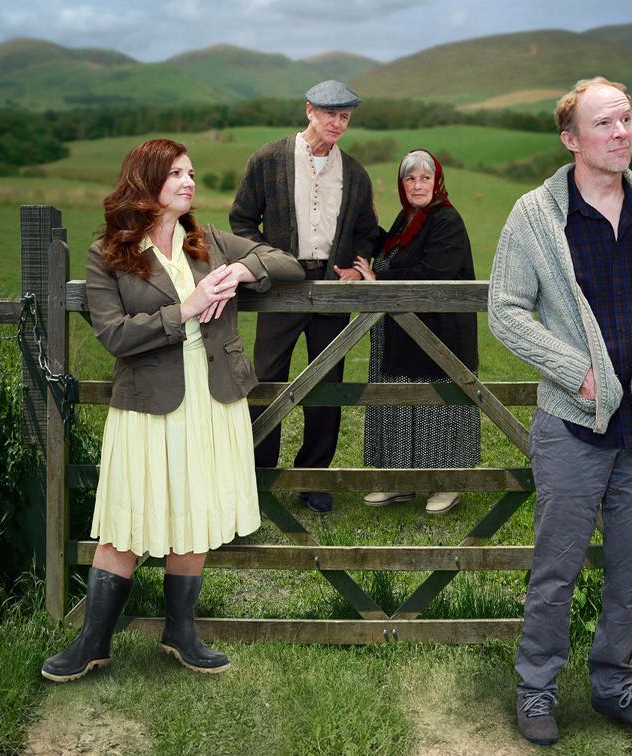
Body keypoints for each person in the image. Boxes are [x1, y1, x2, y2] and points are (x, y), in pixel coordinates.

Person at [41, 139, 303, 682]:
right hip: (148, 406)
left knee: (197, 514)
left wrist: (242, 273)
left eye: (191, 172)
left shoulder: (205, 241)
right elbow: (113, 335)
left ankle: (180, 634)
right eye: (176, 174)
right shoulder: (109, 253)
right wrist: (182, 310)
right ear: (147, 181)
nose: (189, 182)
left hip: (211, 401)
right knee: (124, 522)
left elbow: (288, 262)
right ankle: (92, 643)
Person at [488, 78, 632, 745]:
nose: (621, 132)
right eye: (604, 123)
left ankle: (614, 686)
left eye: (627, 119)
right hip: (572, 427)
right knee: (558, 568)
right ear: (571, 138)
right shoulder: (535, 215)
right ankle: (537, 691)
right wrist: (573, 370)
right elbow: (505, 310)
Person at [230, 80, 380, 514]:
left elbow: (368, 232)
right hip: (279, 289)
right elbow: (241, 220)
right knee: (266, 378)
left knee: (327, 384)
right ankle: (259, 475)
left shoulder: (353, 173)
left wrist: (357, 264)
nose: (338, 123)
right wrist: (265, 260)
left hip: (332, 290)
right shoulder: (268, 159)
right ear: (309, 111)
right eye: (331, 114)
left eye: (345, 117)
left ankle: (313, 478)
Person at [351, 149, 479, 514]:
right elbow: (389, 250)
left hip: (439, 334)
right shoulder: (408, 218)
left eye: (425, 178)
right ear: (402, 184)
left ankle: (446, 483)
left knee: (437, 405)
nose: (417, 185)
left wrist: (380, 278)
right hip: (401, 332)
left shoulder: (446, 220)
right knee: (398, 402)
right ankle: (399, 481)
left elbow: (434, 271)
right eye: (410, 179)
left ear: (436, 181)